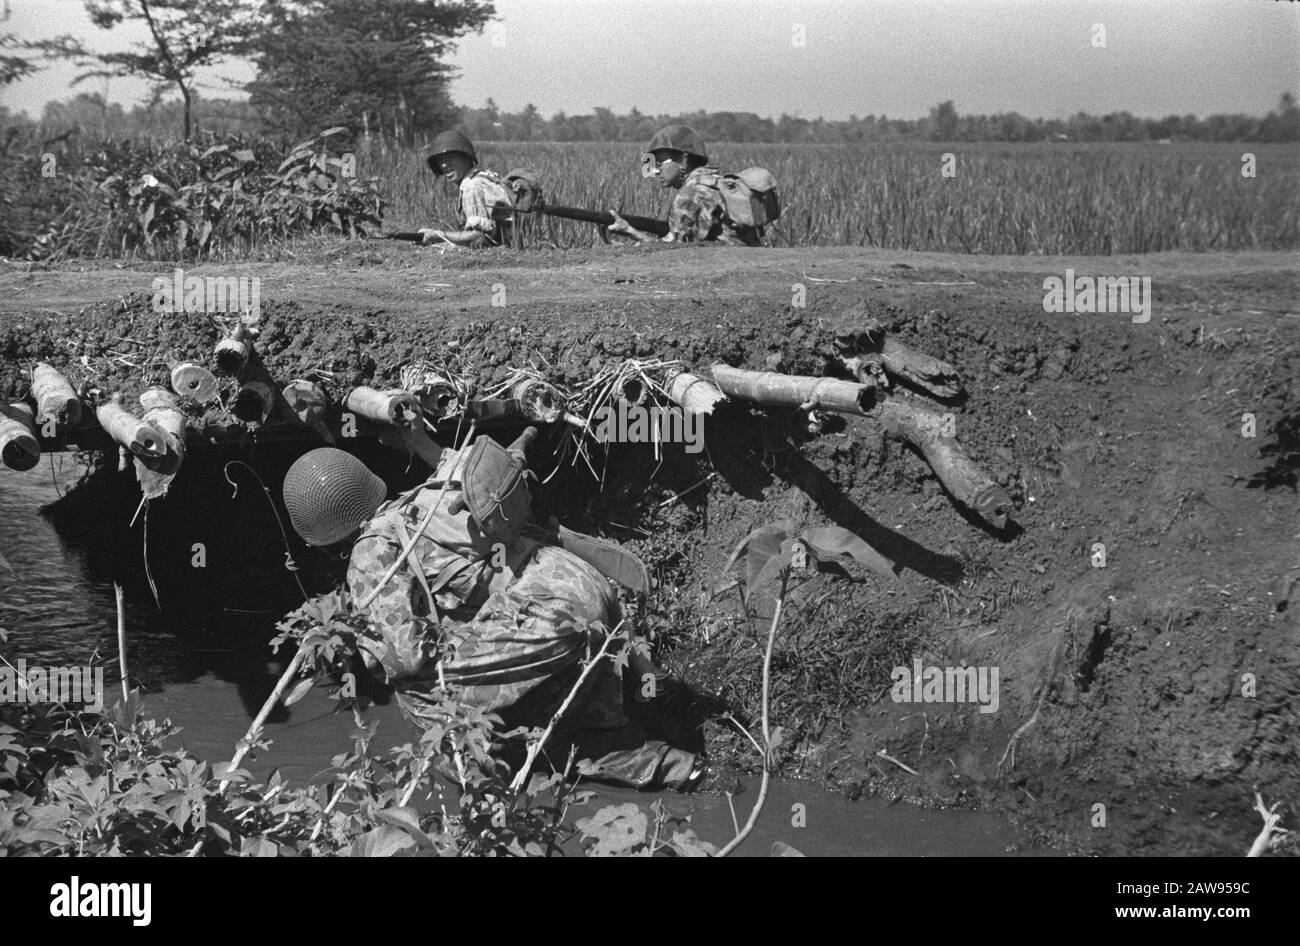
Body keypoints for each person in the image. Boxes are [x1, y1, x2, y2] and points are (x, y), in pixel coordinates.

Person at [281, 433, 702, 790]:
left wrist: (363, 643)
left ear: (320, 533)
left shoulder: (370, 551)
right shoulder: (427, 496)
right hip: (578, 580)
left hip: (550, 614)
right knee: (531, 669)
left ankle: (549, 756)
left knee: (423, 701)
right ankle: (647, 722)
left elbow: (407, 657)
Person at [607, 124, 768, 246]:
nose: (655, 171)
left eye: (661, 163)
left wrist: (629, 230)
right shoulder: (714, 181)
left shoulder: (691, 193)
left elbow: (671, 251)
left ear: (684, 160)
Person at [418, 130, 516, 248]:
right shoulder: (482, 176)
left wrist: (436, 235)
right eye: (440, 160)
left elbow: (478, 237)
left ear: (466, 158)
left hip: (510, 247)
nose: (444, 165)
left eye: (450, 158)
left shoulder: (473, 186)